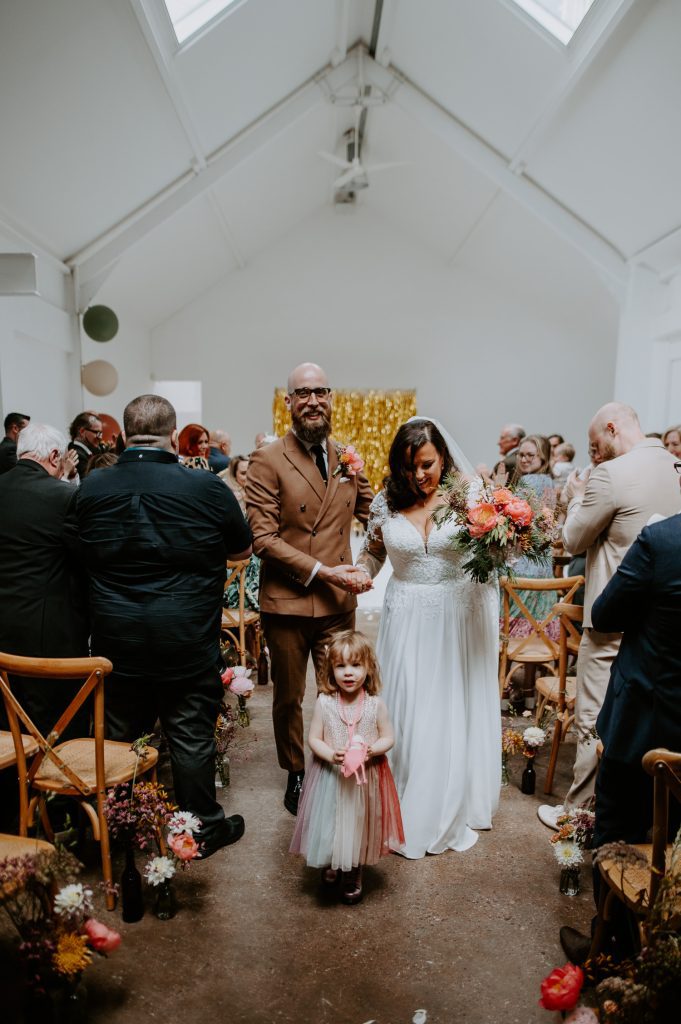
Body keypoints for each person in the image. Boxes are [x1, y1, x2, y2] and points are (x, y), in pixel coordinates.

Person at [75, 394, 252, 858]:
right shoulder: (207, 489)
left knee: (119, 735)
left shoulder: (91, 489)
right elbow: (240, 551)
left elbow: (77, 554)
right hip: (186, 637)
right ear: (174, 437)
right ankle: (200, 828)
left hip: (117, 638)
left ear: (125, 435)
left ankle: (113, 831)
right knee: (191, 736)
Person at [356, 417, 501, 858]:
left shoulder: (467, 499)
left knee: (444, 704)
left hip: (454, 618)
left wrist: (507, 538)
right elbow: (373, 552)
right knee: (408, 703)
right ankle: (401, 788)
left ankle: (445, 793)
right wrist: (360, 575)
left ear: (443, 458)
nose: (418, 476)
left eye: (427, 464)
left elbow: (491, 554)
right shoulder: (385, 502)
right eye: (408, 468)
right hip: (404, 618)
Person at [538, 402, 680, 830]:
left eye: (595, 445)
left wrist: (576, 499)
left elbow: (572, 540)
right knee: (650, 719)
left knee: (595, 715)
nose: (594, 455)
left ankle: (580, 810)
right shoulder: (676, 466)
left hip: (613, 616)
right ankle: (648, 812)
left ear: (613, 428)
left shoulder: (610, 475)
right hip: (664, 622)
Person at [246, 362, 374, 815]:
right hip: (288, 603)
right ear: (289, 403)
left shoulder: (347, 456)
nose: (313, 401)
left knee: (343, 689)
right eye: (303, 394)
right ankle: (297, 770)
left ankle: (337, 762)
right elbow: (262, 539)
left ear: (331, 397)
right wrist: (324, 570)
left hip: (339, 604)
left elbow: (374, 514)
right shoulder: (267, 459)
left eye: (320, 391)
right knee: (287, 697)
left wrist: (433, 510)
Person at [559, 500, 681, 965]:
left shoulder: (661, 540)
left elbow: (606, 613)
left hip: (645, 722)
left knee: (618, 830)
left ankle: (612, 946)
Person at [290, 630, 404, 905]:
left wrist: (371, 750)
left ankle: (353, 869)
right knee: (330, 820)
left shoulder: (375, 705)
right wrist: (331, 754)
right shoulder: (325, 703)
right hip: (331, 777)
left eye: (356, 665)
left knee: (358, 824)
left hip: (364, 782)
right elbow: (314, 738)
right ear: (331, 670)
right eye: (340, 666)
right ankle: (332, 859)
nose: (348, 673)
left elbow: (389, 737)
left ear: (369, 668)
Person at [0, 423, 89, 742]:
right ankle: (56, 787)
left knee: (7, 725)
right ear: (55, 455)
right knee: (56, 725)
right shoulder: (64, 497)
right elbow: (84, 560)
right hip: (48, 634)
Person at [506, 435, 557, 642]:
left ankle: (504, 665)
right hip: (543, 563)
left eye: (530, 455)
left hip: (524, 561)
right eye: (521, 454)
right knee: (536, 623)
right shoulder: (549, 482)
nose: (524, 459)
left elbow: (511, 520)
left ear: (542, 458)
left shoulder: (527, 481)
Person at [220, 455, 261, 611]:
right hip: (239, 555)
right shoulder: (231, 498)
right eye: (243, 473)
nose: (248, 477)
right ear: (234, 475)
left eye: (250, 472)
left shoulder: (258, 493)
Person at [68, 411, 104, 480]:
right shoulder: (76, 455)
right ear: (82, 431)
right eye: (97, 432)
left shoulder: (95, 449)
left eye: (101, 433)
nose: (100, 437)